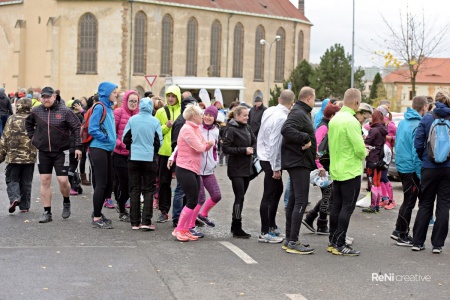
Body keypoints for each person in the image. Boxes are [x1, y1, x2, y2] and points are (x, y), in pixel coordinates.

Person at [25, 87, 82, 223]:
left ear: (54, 97)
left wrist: (78, 147)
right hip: (44, 151)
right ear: (41, 98)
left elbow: (76, 127)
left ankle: (66, 201)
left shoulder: (65, 111)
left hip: (62, 151)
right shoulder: (36, 111)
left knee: (63, 181)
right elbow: (28, 124)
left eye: (48, 97)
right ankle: (47, 212)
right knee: (45, 180)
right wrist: (33, 138)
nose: (46, 99)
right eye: (43, 97)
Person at [328, 88, 367, 256]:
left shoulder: (335, 119)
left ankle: (332, 241)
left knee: (336, 205)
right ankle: (340, 243)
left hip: (336, 168)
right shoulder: (351, 121)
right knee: (347, 207)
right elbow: (359, 149)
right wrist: (366, 151)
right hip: (350, 170)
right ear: (357, 102)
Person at [412, 91, 450, 253]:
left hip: (429, 167)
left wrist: (425, 158)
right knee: (443, 204)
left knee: (425, 203)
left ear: (435, 102)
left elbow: (418, 142)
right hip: (448, 168)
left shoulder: (427, 118)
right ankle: (437, 244)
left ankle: (418, 242)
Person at [280, 87, 316, 254]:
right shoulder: (298, 112)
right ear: (309, 98)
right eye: (314, 99)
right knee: (301, 201)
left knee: (295, 201)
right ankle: (293, 240)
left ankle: (290, 239)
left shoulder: (301, 111)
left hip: (299, 161)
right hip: (298, 162)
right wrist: (305, 138)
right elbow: (286, 129)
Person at [171, 104, 214, 241]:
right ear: (194, 116)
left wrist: (206, 144)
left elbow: (202, 143)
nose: (202, 117)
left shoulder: (195, 128)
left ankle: (185, 229)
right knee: (191, 200)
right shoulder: (187, 129)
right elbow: (200, 147)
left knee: (194, 200)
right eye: (200, 114)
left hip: (194, 168)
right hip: (185, 168)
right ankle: (178, 229)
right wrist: (209, 145)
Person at [257, 90, 295, 243]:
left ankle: (271, 226)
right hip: (270, 158)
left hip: (264, 154)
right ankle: (265, 232)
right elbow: (274, 142)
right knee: (269, 194)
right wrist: (276, 167)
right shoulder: (282, 117)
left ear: (279, 99)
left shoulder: (270, 110)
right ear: (292, 103)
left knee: (277, 189)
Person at [391, 96, 428, 246]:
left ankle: (398, 230)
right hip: (410, 168)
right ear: (424, 107)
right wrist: (420, 174)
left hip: (401, 165)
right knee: (410, 201)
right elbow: (416, 152)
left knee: (407, 200)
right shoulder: (417, 124)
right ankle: (402, 234)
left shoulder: (404, 121)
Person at [123, 97, 162, 230]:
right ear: (151, 107)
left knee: (134, 189)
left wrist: (132, 148)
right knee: (149, 189)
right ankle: (146, 221)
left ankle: (135, 222)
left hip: (134, 157)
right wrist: (153, 151)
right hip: (149, 158)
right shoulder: (155, 121)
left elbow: (125, 138)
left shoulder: (132, 120)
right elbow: (158, 141)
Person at [303, 102, 341, 233]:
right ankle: (318, 221)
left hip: (326, 165)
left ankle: (317, 220)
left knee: (328, 195)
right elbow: (316, 147)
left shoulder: (329, 126)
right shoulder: (323, 128)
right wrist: (319, 166)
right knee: (328, 195)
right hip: (323, 166)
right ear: (332, 115)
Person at [223, 105, 256, 238]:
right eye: (244, 115)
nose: (247, 117)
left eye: (248, 115)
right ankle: (237, 226)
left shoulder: (247, 127)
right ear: (237, 116)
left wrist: (252, 149)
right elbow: (226, 148)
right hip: (235, 169)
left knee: (241, 198)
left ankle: (234, 225)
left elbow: (254, 141)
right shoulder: (231, 129)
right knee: (239, 197)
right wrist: (244, 150)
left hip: (246, 168)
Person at [89, 82, 118, 229]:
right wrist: (107, 139)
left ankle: (98, 212)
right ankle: (96, 217)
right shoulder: (100, 107)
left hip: (106, 149)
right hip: (98, 148)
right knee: (101, 184)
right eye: (114, 92)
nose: (116, 94)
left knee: (106, 184)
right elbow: (92, 128)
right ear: (106, 93)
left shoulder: (108, 108)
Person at [0, 98, 37, 213]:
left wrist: (1, 156)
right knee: (26, 182)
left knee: (12, 179)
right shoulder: (34, 120)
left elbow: (4, 139)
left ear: (18, 106)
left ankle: (15, 198)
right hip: (29, 157)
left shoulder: (12, 119)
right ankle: (24, 207)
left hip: (14, 157)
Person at [112, 90, 140, 221]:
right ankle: (122, 210)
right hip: (120, 155)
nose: (133, 104)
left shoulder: (140, 115)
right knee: (124, 184)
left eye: (135, 101)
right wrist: (122, 144)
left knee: (132, 185)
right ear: (126, 101)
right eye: (131, 101)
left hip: (135, 156)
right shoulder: (118, 112)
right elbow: (112, 133)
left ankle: (125, 207)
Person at [155, 85, 181, 223]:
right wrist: (167, 126)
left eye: (173, 96)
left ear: (178, 97)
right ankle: (164, 211)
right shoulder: (160, 112)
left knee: (182, 184)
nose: (170, 99)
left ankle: (181, 212)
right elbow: (156, 130)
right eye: (168, 96)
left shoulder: (183, 111)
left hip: (180, 152)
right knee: (164, 182)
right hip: (164, 152)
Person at [195, 105, 222, 229]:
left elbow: (215, 148)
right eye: (206, 114)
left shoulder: (216, 130)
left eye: (211, 115)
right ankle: (189, 224)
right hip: (197, 169)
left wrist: (214, 161)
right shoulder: (197, 128)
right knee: (200, 198)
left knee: (216, 195)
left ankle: (202, 214)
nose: (207, 117)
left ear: (215, 118)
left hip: (209, 170)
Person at [361, 110, 387, 213]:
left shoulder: (374, 130)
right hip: (379, 160)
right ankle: (376, 205)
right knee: (377, 183)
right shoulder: (383, 130)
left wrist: (364, 139)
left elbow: (367, 143)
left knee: (372, 183)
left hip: (372, 159)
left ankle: (372, 206)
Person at [376, 105, 397, 209]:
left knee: (384, 177)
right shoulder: (380, 123)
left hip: (387, 153)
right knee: (380, 177)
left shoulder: (391, 124)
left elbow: (398, 136)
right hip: (380, 152)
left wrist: (389, 137)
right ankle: (384, 199)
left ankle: (392, 201)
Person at [67, 99, 85, 195]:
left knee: (70, 167)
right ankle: (72, 187)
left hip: (68, 145)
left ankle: (74, 185)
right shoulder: (81, 117)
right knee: (73, 167)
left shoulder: (68, 116)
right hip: (77, 146)